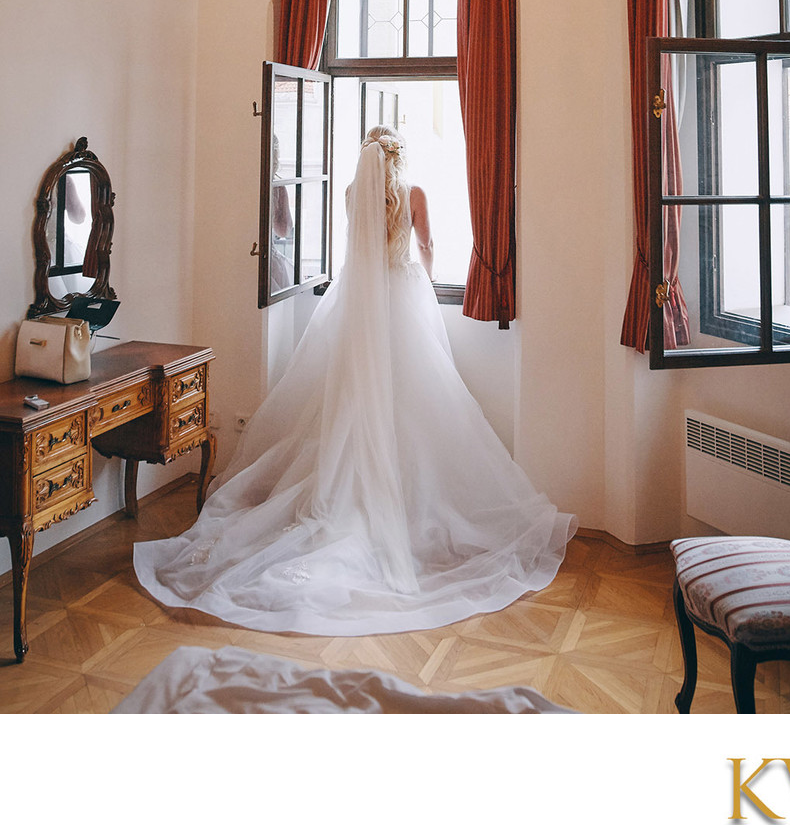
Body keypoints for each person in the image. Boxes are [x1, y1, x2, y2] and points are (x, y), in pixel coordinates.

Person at [134, 127, 577, 635]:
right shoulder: (413, 195)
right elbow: (427, 248)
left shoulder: (350, 194)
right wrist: (419, 282)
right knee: (418, 411)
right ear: (398, 158)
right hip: (402, 300)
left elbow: (355, 251)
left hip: (359, 309)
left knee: (345, 408)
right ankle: (407, 503)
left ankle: (345, 500)